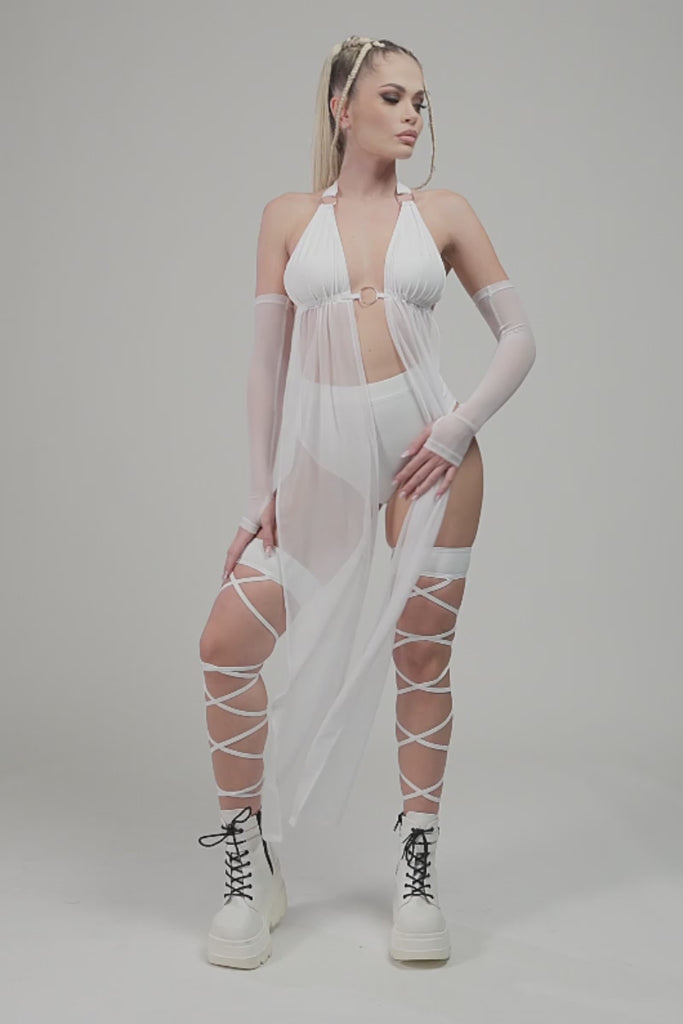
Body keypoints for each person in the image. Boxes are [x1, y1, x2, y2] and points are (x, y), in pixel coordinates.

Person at [196, 34, 536, 970]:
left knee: (421, 654)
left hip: (430, 459)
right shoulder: (287, 218)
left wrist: (457, 427)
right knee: (226, 645)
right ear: (341, 108)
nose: (412, 114)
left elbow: (517, 336)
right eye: (392, 97)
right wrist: (257, 493)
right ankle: (248, 865)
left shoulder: (445, 212)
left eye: (420, 100)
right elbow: (265, 365)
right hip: (324, 466)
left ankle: (416, 872)